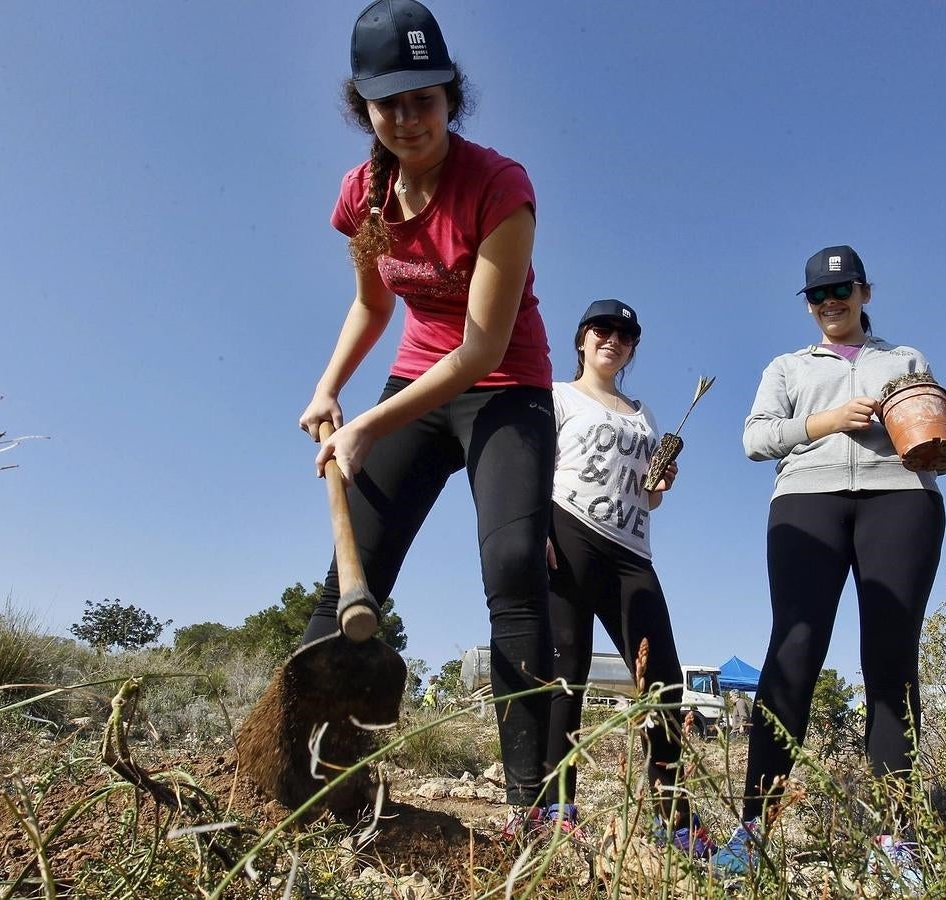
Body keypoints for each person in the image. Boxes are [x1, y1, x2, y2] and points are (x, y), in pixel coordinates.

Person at [297, 0, 555, 837]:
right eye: (389, 103)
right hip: (415, 377)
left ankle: (538, 809)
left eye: (426, 99)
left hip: (505, 384)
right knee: (351, 574)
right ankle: (299, 775)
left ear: (452, 96)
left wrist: (370, 426)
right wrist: (332, 386)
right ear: (362, 107)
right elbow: (372, 307)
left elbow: (480, 348)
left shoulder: (499, 187)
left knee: (515, 566)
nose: (409, 119)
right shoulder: (361, 196)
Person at [714, 245, 946, 876]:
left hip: (901, 499)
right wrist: (827, 420)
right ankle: (753, 830)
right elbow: (756, 439)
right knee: (794, 652)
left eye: (842, 291)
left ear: (865, 293)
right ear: (807, 303)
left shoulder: (904, 359)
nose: (830, 303)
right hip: (808, 499)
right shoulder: (787, 367)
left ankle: (895, 839)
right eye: (817, 295)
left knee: (890, 659)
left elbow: (939, 454)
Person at [543, 299, 716, 858]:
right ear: (582, 339)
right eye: (602, 330)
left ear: (632, 348)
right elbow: (535, 467)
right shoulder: (558, 396)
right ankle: (554, 806)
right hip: (569, 527)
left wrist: (661, 482)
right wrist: (535, 533)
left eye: (624, 334)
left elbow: (650, 498)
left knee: (662, 677)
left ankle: (672, 814)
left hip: (631, 551)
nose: (612, 340)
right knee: (567, 665)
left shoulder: (644, 415)